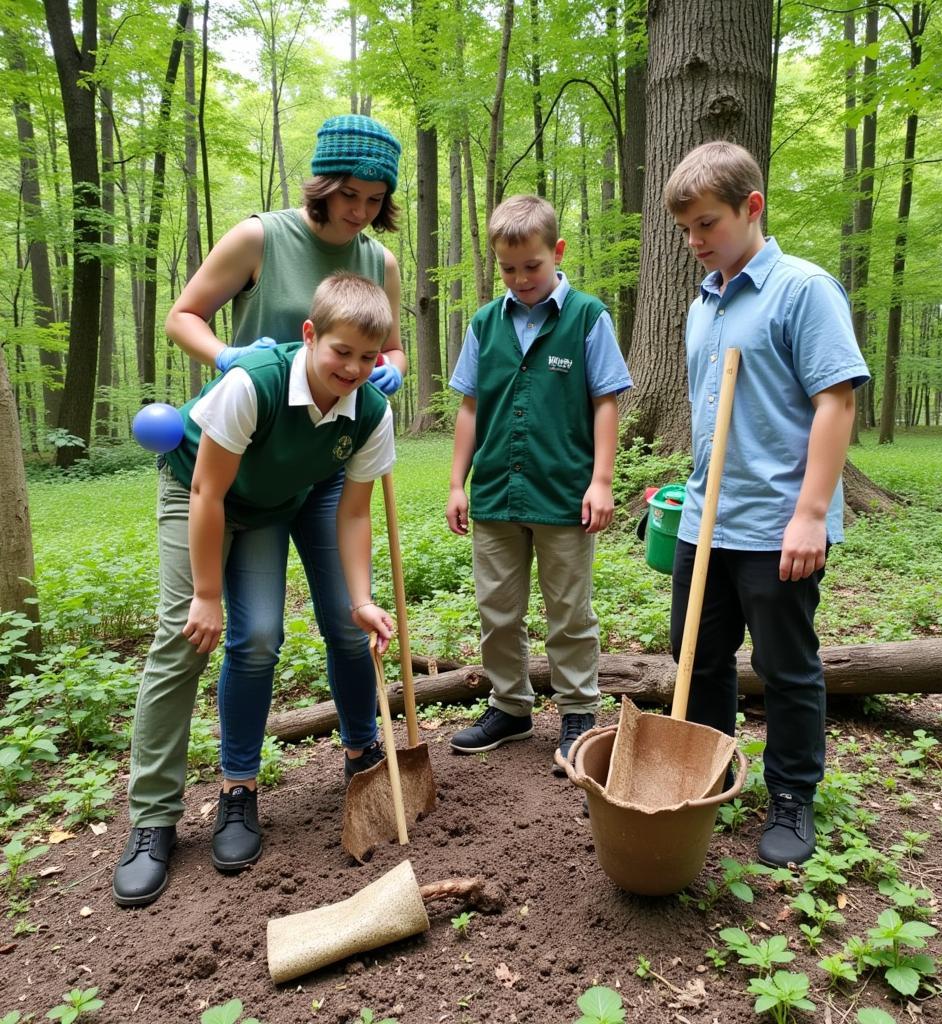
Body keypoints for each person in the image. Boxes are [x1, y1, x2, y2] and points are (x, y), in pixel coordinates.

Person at [114, 273, 396, 908]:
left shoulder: (371, 412)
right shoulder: (254, 383)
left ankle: (244, 790)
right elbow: (207, 493)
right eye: (339, 351)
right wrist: (206, 594)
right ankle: (155, 818)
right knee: (184, 638)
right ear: (309, 335)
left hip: (269, 503)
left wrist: (360, 598)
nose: (352, 367)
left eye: (367, 357)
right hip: (198, 490)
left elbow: (353, 514)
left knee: (263, 636)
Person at [161, 116, 403, 828]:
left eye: (374, 198)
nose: (359, 210)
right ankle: (238, 788)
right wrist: (226, 358)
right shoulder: (259, 237)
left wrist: (385, 376)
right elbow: (184, 315)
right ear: (323, 184)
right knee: (257, 634)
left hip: (327, 459)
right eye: (349, 194)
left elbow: (389, 351)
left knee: (348, 620)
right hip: (256, 446)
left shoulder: (378, 261)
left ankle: (365, 754)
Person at [663, 140, 870, 867]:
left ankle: (791, 794)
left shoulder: (803, 289)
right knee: (701, 658)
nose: (694, 242)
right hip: (704, 521)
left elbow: (835, 401)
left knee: (785, 666)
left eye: (707, 224)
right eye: (685, 229)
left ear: (753, 208)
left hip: (777, 524)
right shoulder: (704, 301)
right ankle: (711, 770)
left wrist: (811, 512)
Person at [445, 194, 632, 772]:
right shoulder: (484, 323)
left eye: (532, 265)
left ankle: (577, 710)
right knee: (496, 608)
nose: (522, 278)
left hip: (563, 495)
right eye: (508, 268)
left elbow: (606, 402)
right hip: (497, 492)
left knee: (569, 611)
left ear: (557, 252)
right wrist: (458, 483)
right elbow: (471, 408)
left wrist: (602, 481)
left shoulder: (586, 316)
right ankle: (510, 705)